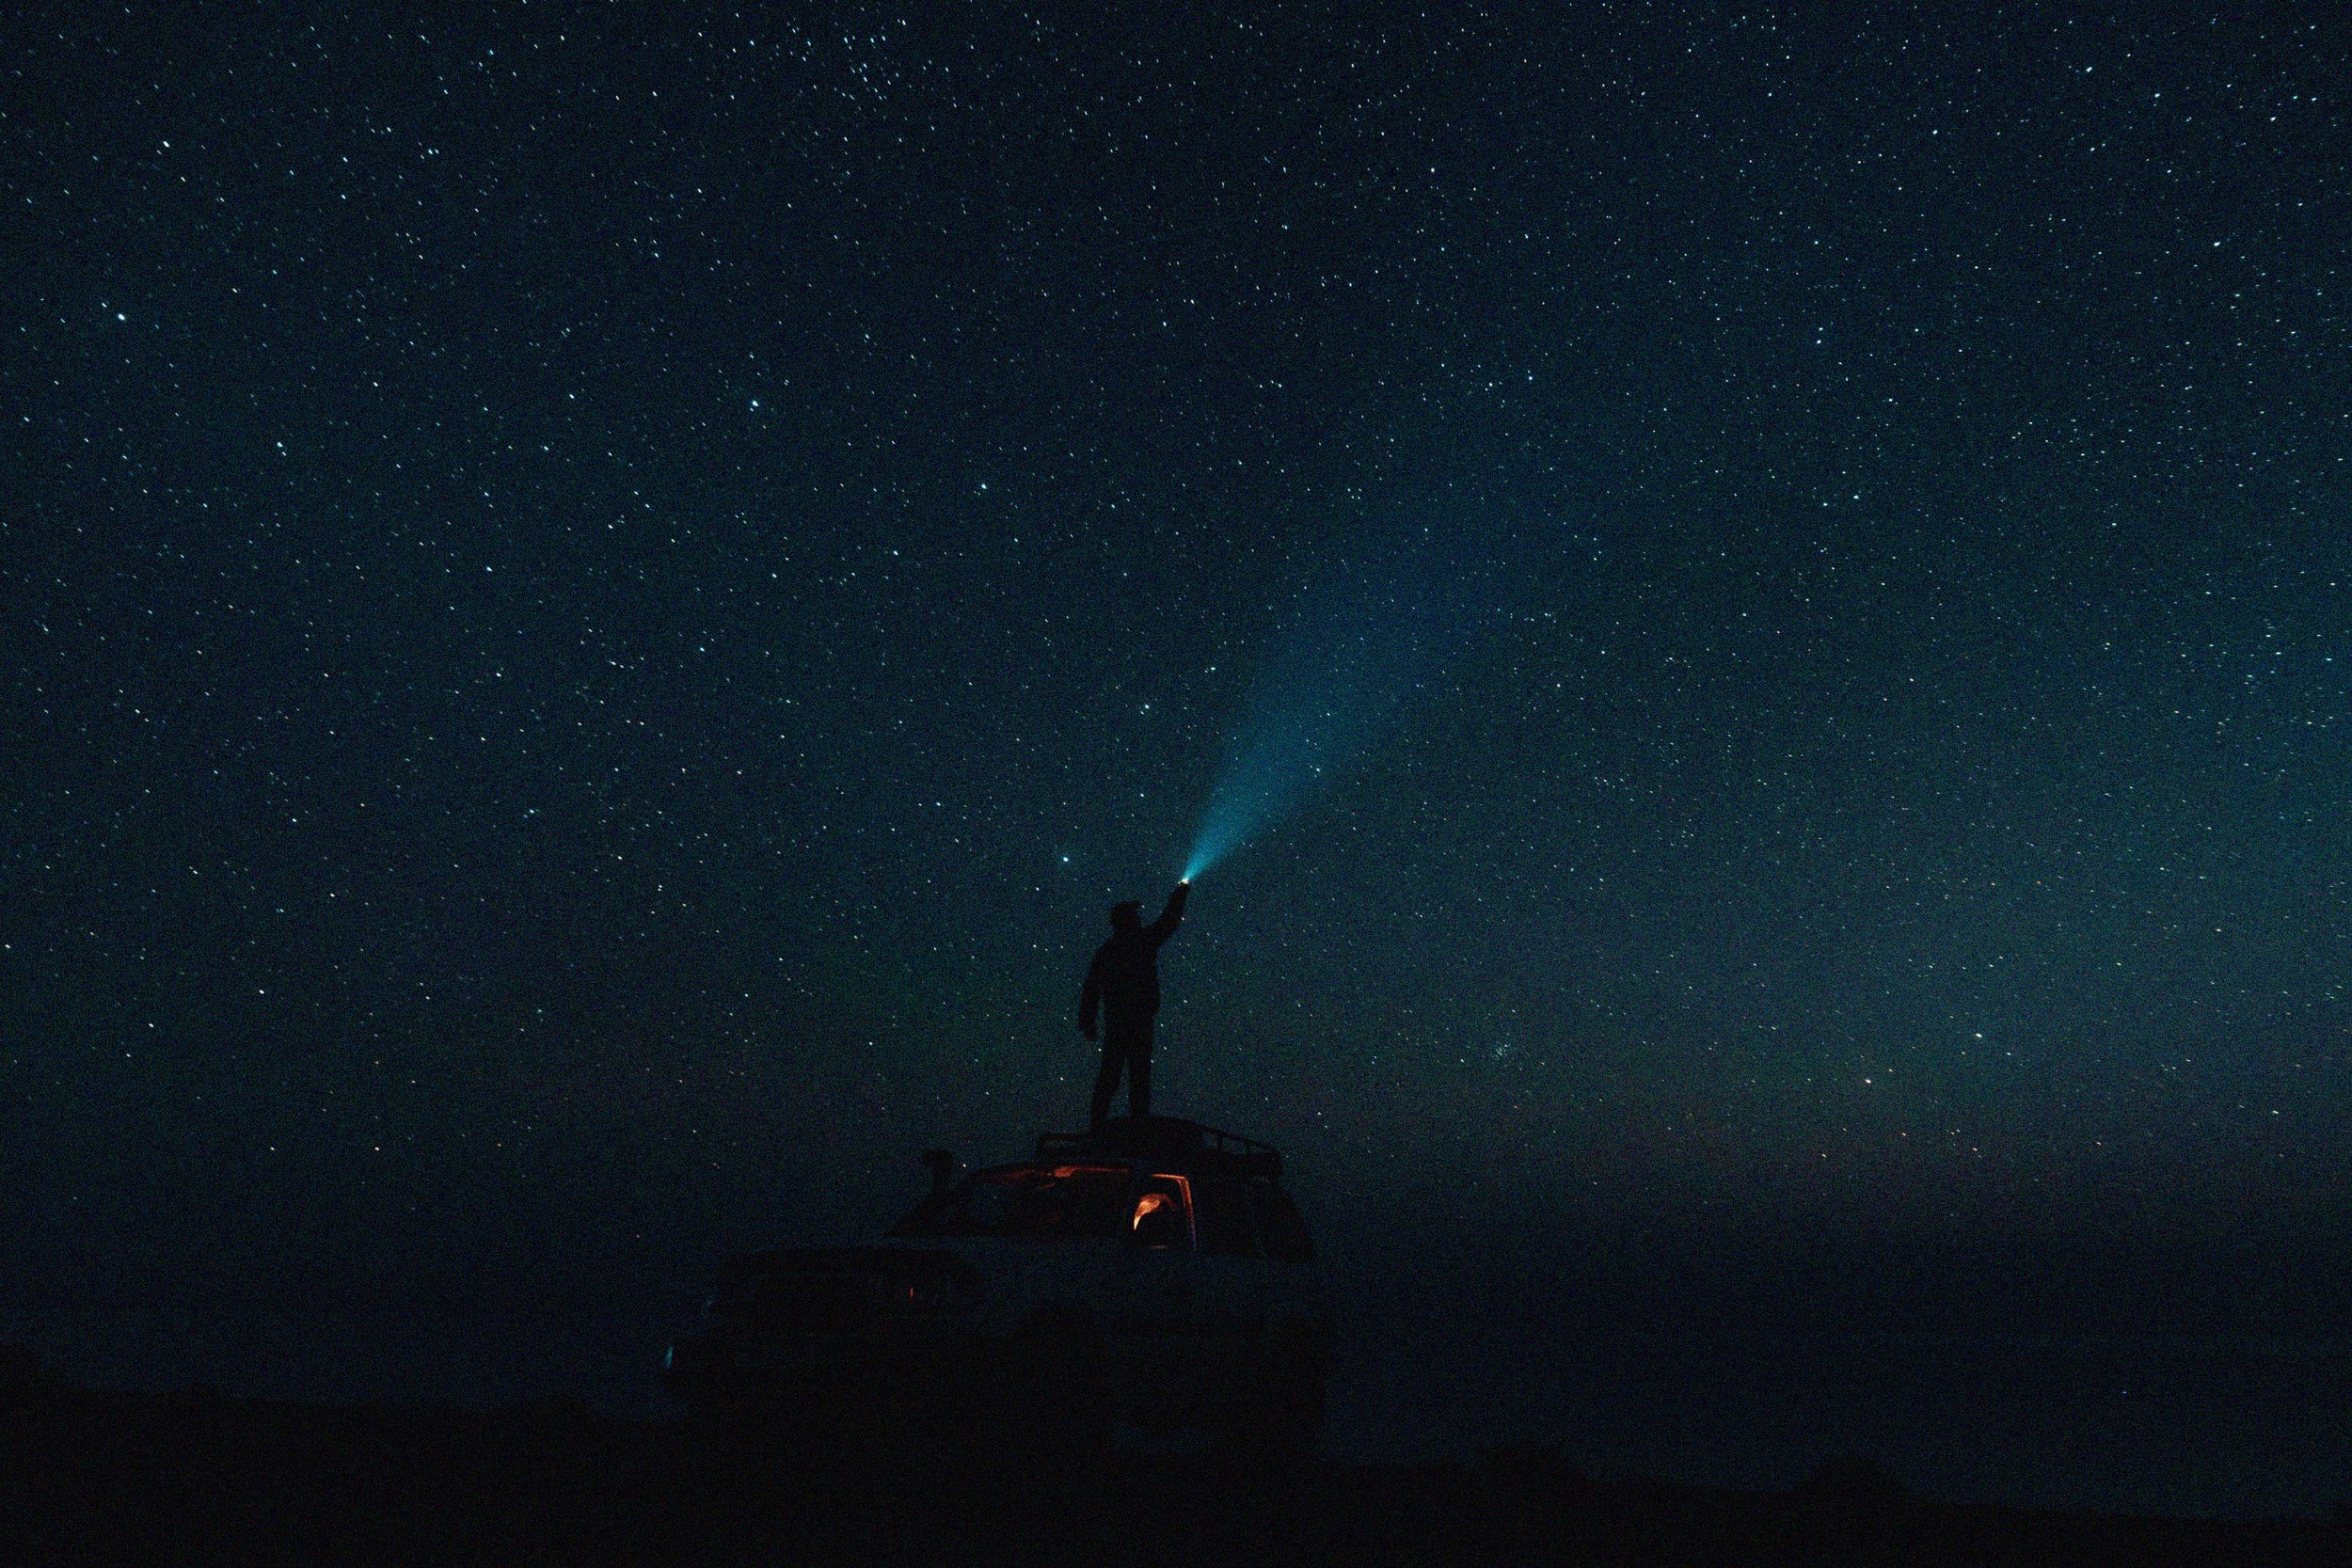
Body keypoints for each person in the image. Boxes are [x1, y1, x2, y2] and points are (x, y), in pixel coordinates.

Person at [1077, 879, 1189, 1127]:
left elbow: (1091, 989)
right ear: (1126, 921)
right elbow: (1167, 923)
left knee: (1115, 1074)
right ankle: (1134, 1126)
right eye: (1134, 916)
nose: (1138, 919)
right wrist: (1179, 895)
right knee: (1135, 1076)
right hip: (1135, 1019)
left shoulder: (1108, 950)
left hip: (1120, 1020)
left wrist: (1088, 1021)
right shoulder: (1139, 942)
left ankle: (1099, 1125)